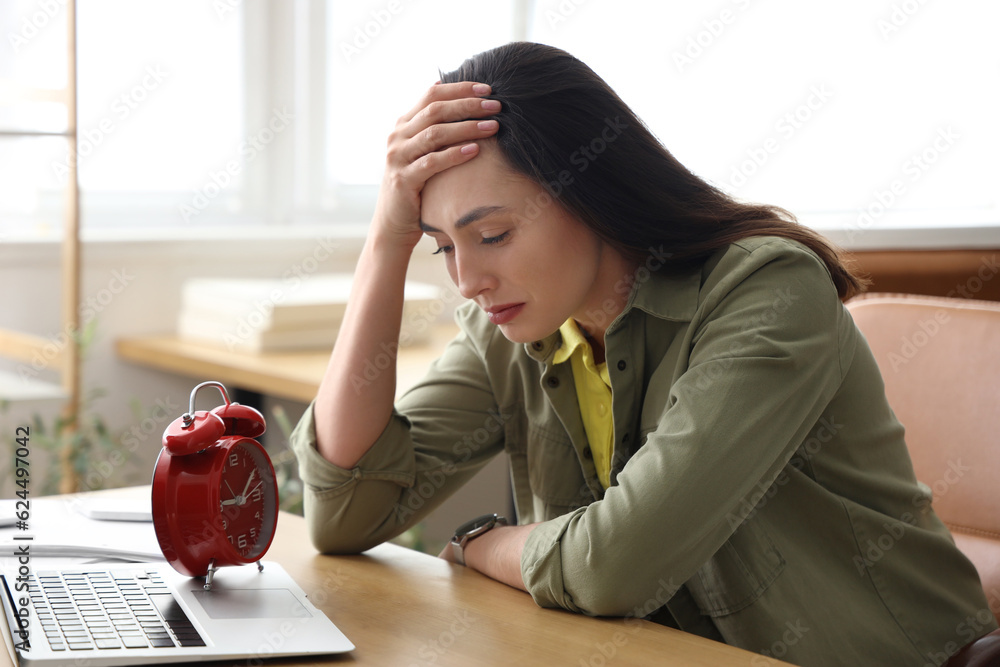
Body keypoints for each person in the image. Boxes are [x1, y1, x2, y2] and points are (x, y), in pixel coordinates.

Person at [291, 42, 996, 665]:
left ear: (589, 191)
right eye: (443, 246)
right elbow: (346, 512)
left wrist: (481, 542)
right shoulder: (516, 330)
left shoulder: (766, 288)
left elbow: (616, 564)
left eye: (494, 234)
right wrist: (385, 238)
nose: (467, 280)